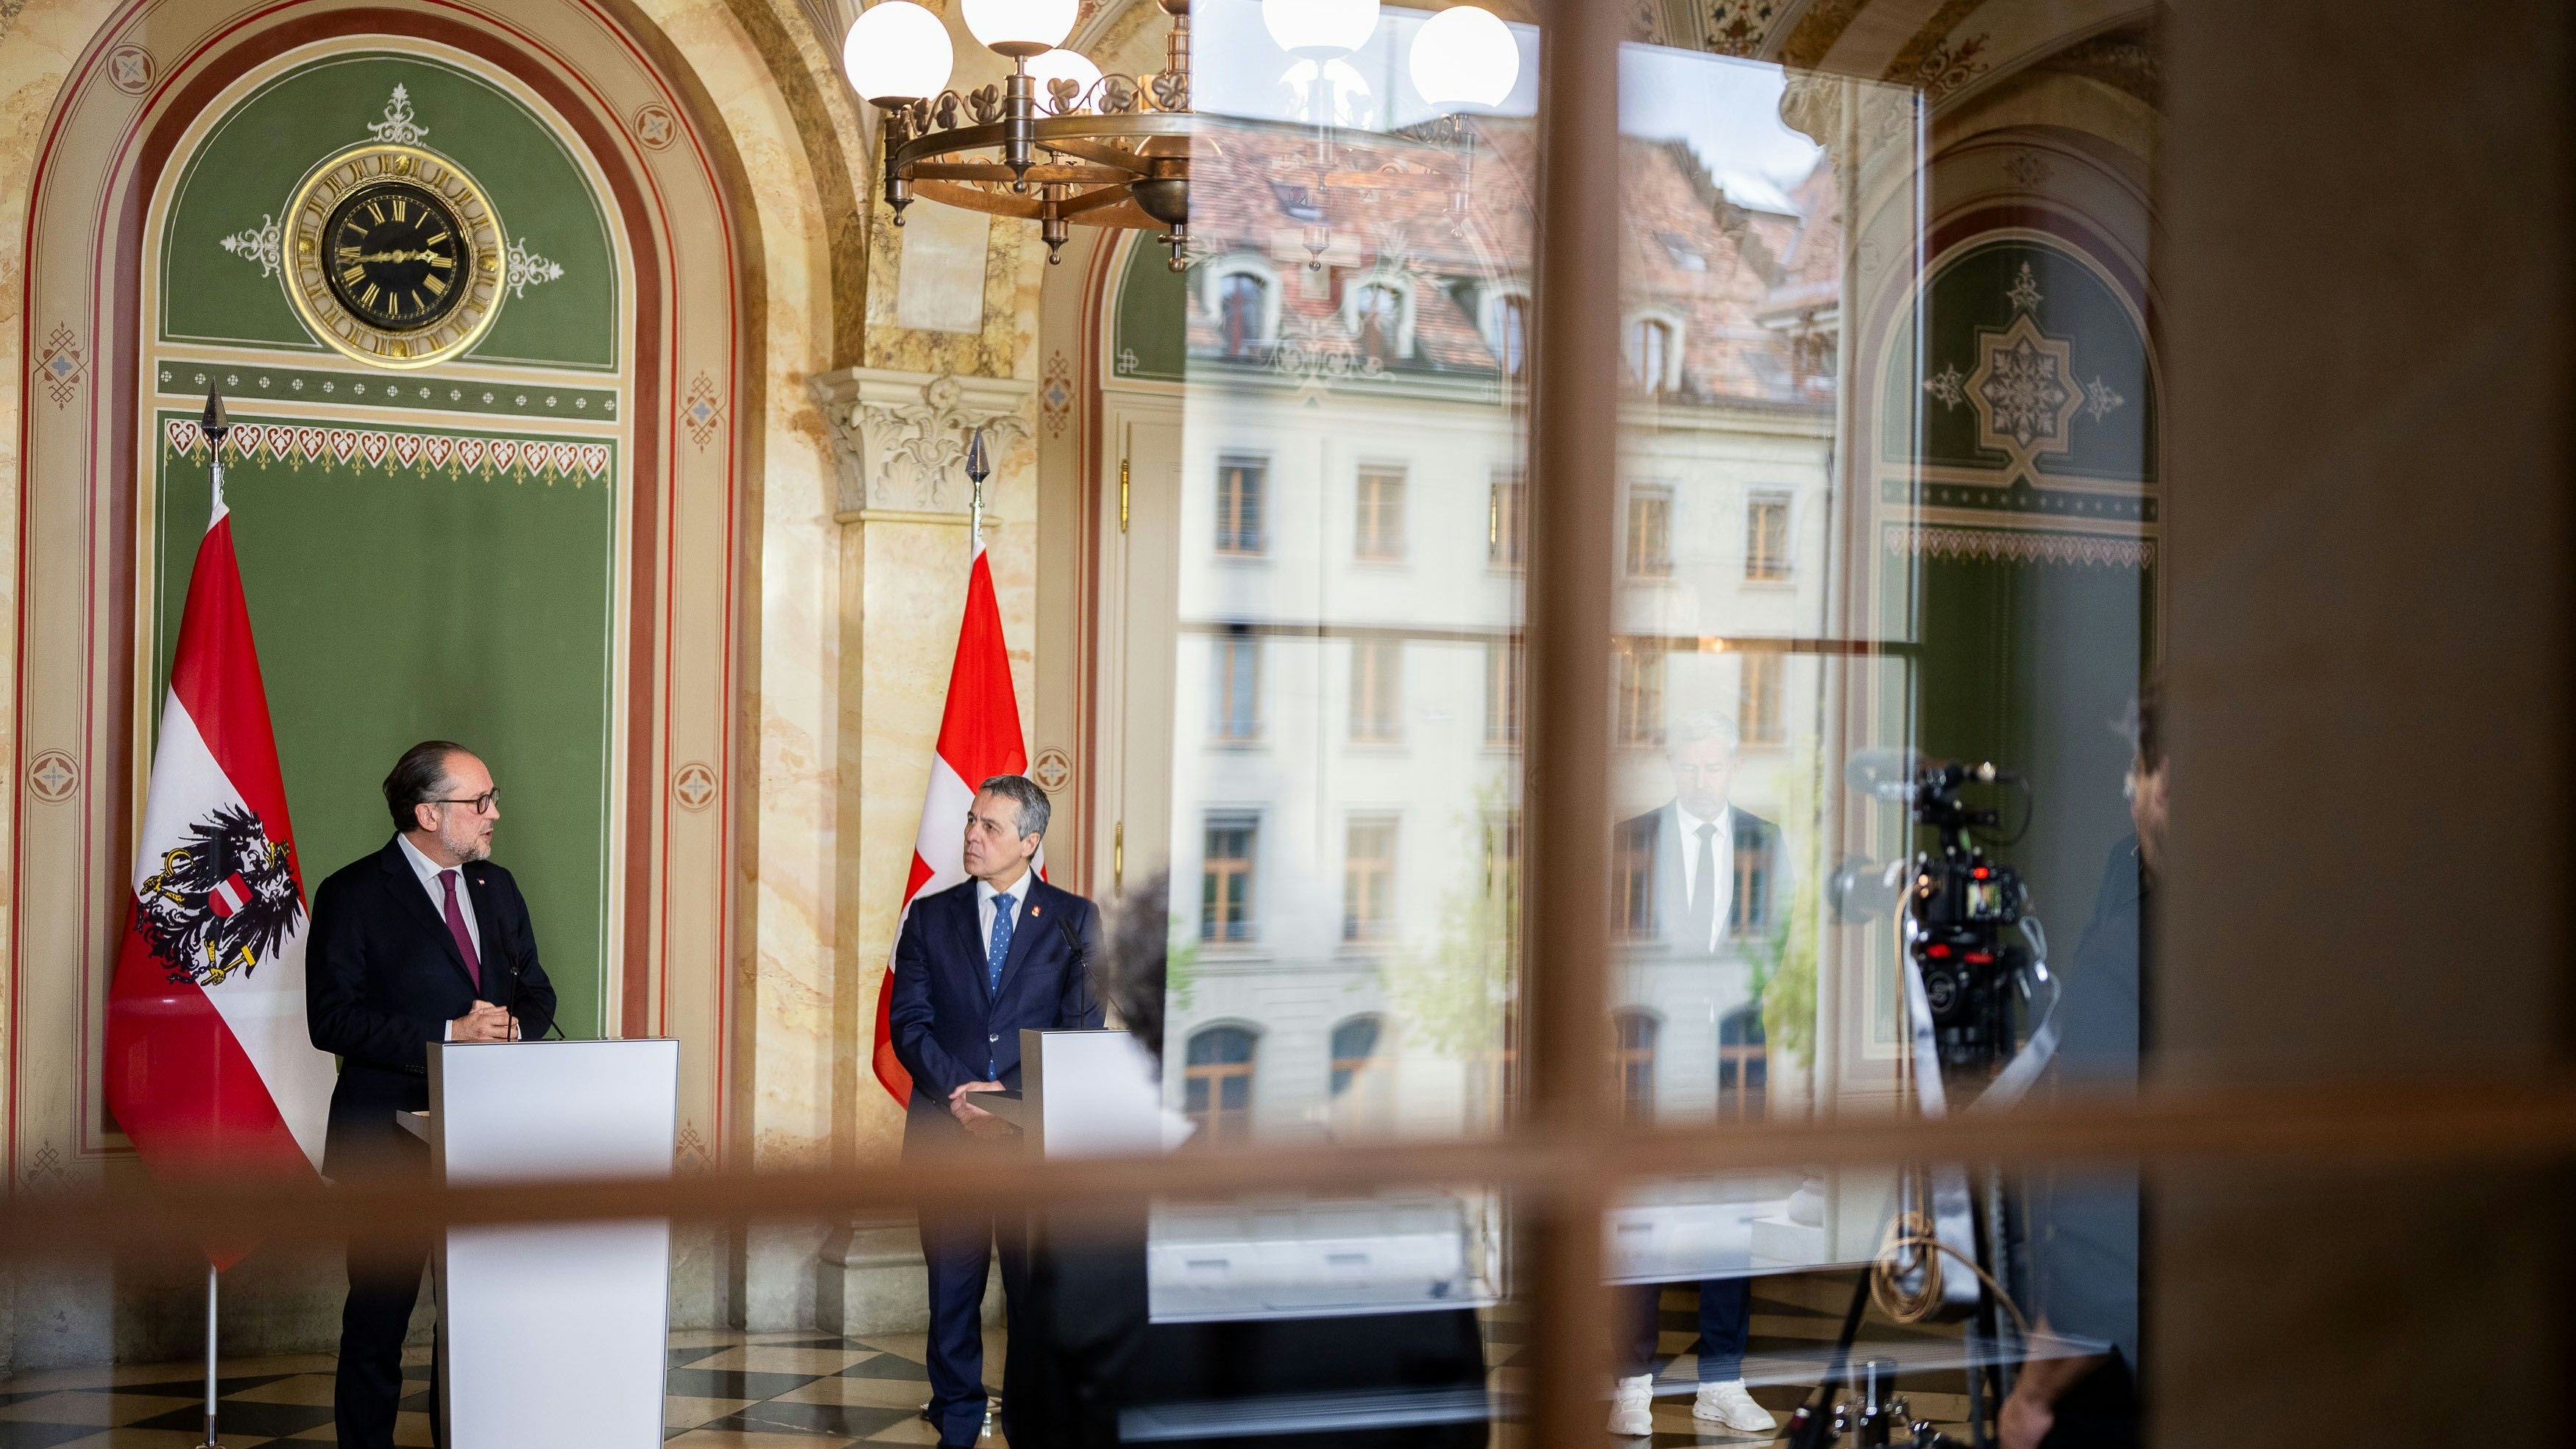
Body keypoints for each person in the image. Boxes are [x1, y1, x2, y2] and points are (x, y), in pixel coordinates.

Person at [1009, 873, 1490, 1448]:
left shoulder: (1086, 1237)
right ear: (1348, 1049)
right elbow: (1460, 1434)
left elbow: (1041, 1430)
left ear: (1146, 1036)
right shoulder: (1421, 1231)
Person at [308, 740, 556, 1449]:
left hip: (485, 1137)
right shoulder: (352, 893)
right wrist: (448, 1031)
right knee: (380, 1320)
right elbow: (332, 1020)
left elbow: (537, 991)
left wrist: (511, 1029)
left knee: (475, 1319)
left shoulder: (497, 888)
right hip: (385, 1140)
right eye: (479, 802)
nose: (494, 814)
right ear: (427, 812)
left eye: (491, 798)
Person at [888, 773, 1105, 1448]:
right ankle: (956, 1419)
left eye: (990, 826)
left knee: (1033, 1293)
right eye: (971, 821)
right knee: (951, 1289)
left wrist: (1005, 1105)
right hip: (944, 1132)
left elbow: (1079, 1031)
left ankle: (1030, 1420)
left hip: (1030, 1140)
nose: (972, 834)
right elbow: (910, 1023)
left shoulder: (1075, 920)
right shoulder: (931, 915)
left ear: (1030, 842)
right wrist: (963, 1094)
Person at [1607, 714, 1781, 1436]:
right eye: (1689, 767)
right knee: (1641, 1216)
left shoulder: (1762, 842)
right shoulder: (1631, 840)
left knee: (1726, 1218)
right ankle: (1631, 1384)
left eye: (1713, 767)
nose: (1701, 780)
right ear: (1672, 767)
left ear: (1730, 767)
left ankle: (1721, 1380)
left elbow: (1782, 937)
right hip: (1650, 1049)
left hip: (1732, 1049)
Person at [1998, 678, 2159, 1449]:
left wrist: (2029, 1396)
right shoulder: (2118, 874)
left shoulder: (2126, 956)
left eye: (2138, 765)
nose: (2126, 785)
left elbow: (2101, 1242)